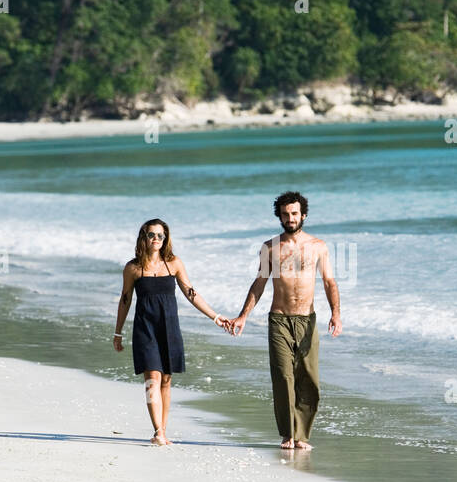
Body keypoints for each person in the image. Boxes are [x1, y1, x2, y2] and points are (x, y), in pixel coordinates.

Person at [227, 192, 342, 451]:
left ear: (303, 215)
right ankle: (288, 435)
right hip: (278, 318)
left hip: (307, 319)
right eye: (285, 214)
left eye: (294, 213)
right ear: (279, 216)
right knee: (283, 376)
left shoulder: (318, 246)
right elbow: (260, 283)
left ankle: (302, 435)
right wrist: (243, 315)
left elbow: (329, 282)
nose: (290, 218)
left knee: (308, 379)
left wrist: (336, 313)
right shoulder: (270, 247)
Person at [114, 218, 229, 446]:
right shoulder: (133, 268)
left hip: (169, 328)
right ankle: (158, 430)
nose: (156, 239)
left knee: (166, 379)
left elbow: (191, 293)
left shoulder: (173, 263)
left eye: (160, 235)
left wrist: (215, 316)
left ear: (165, 239)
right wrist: (118, 333)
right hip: (145, 328)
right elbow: (125, 300)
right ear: (143, 237)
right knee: (152, 379)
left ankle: (162, 430)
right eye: (151, 235)